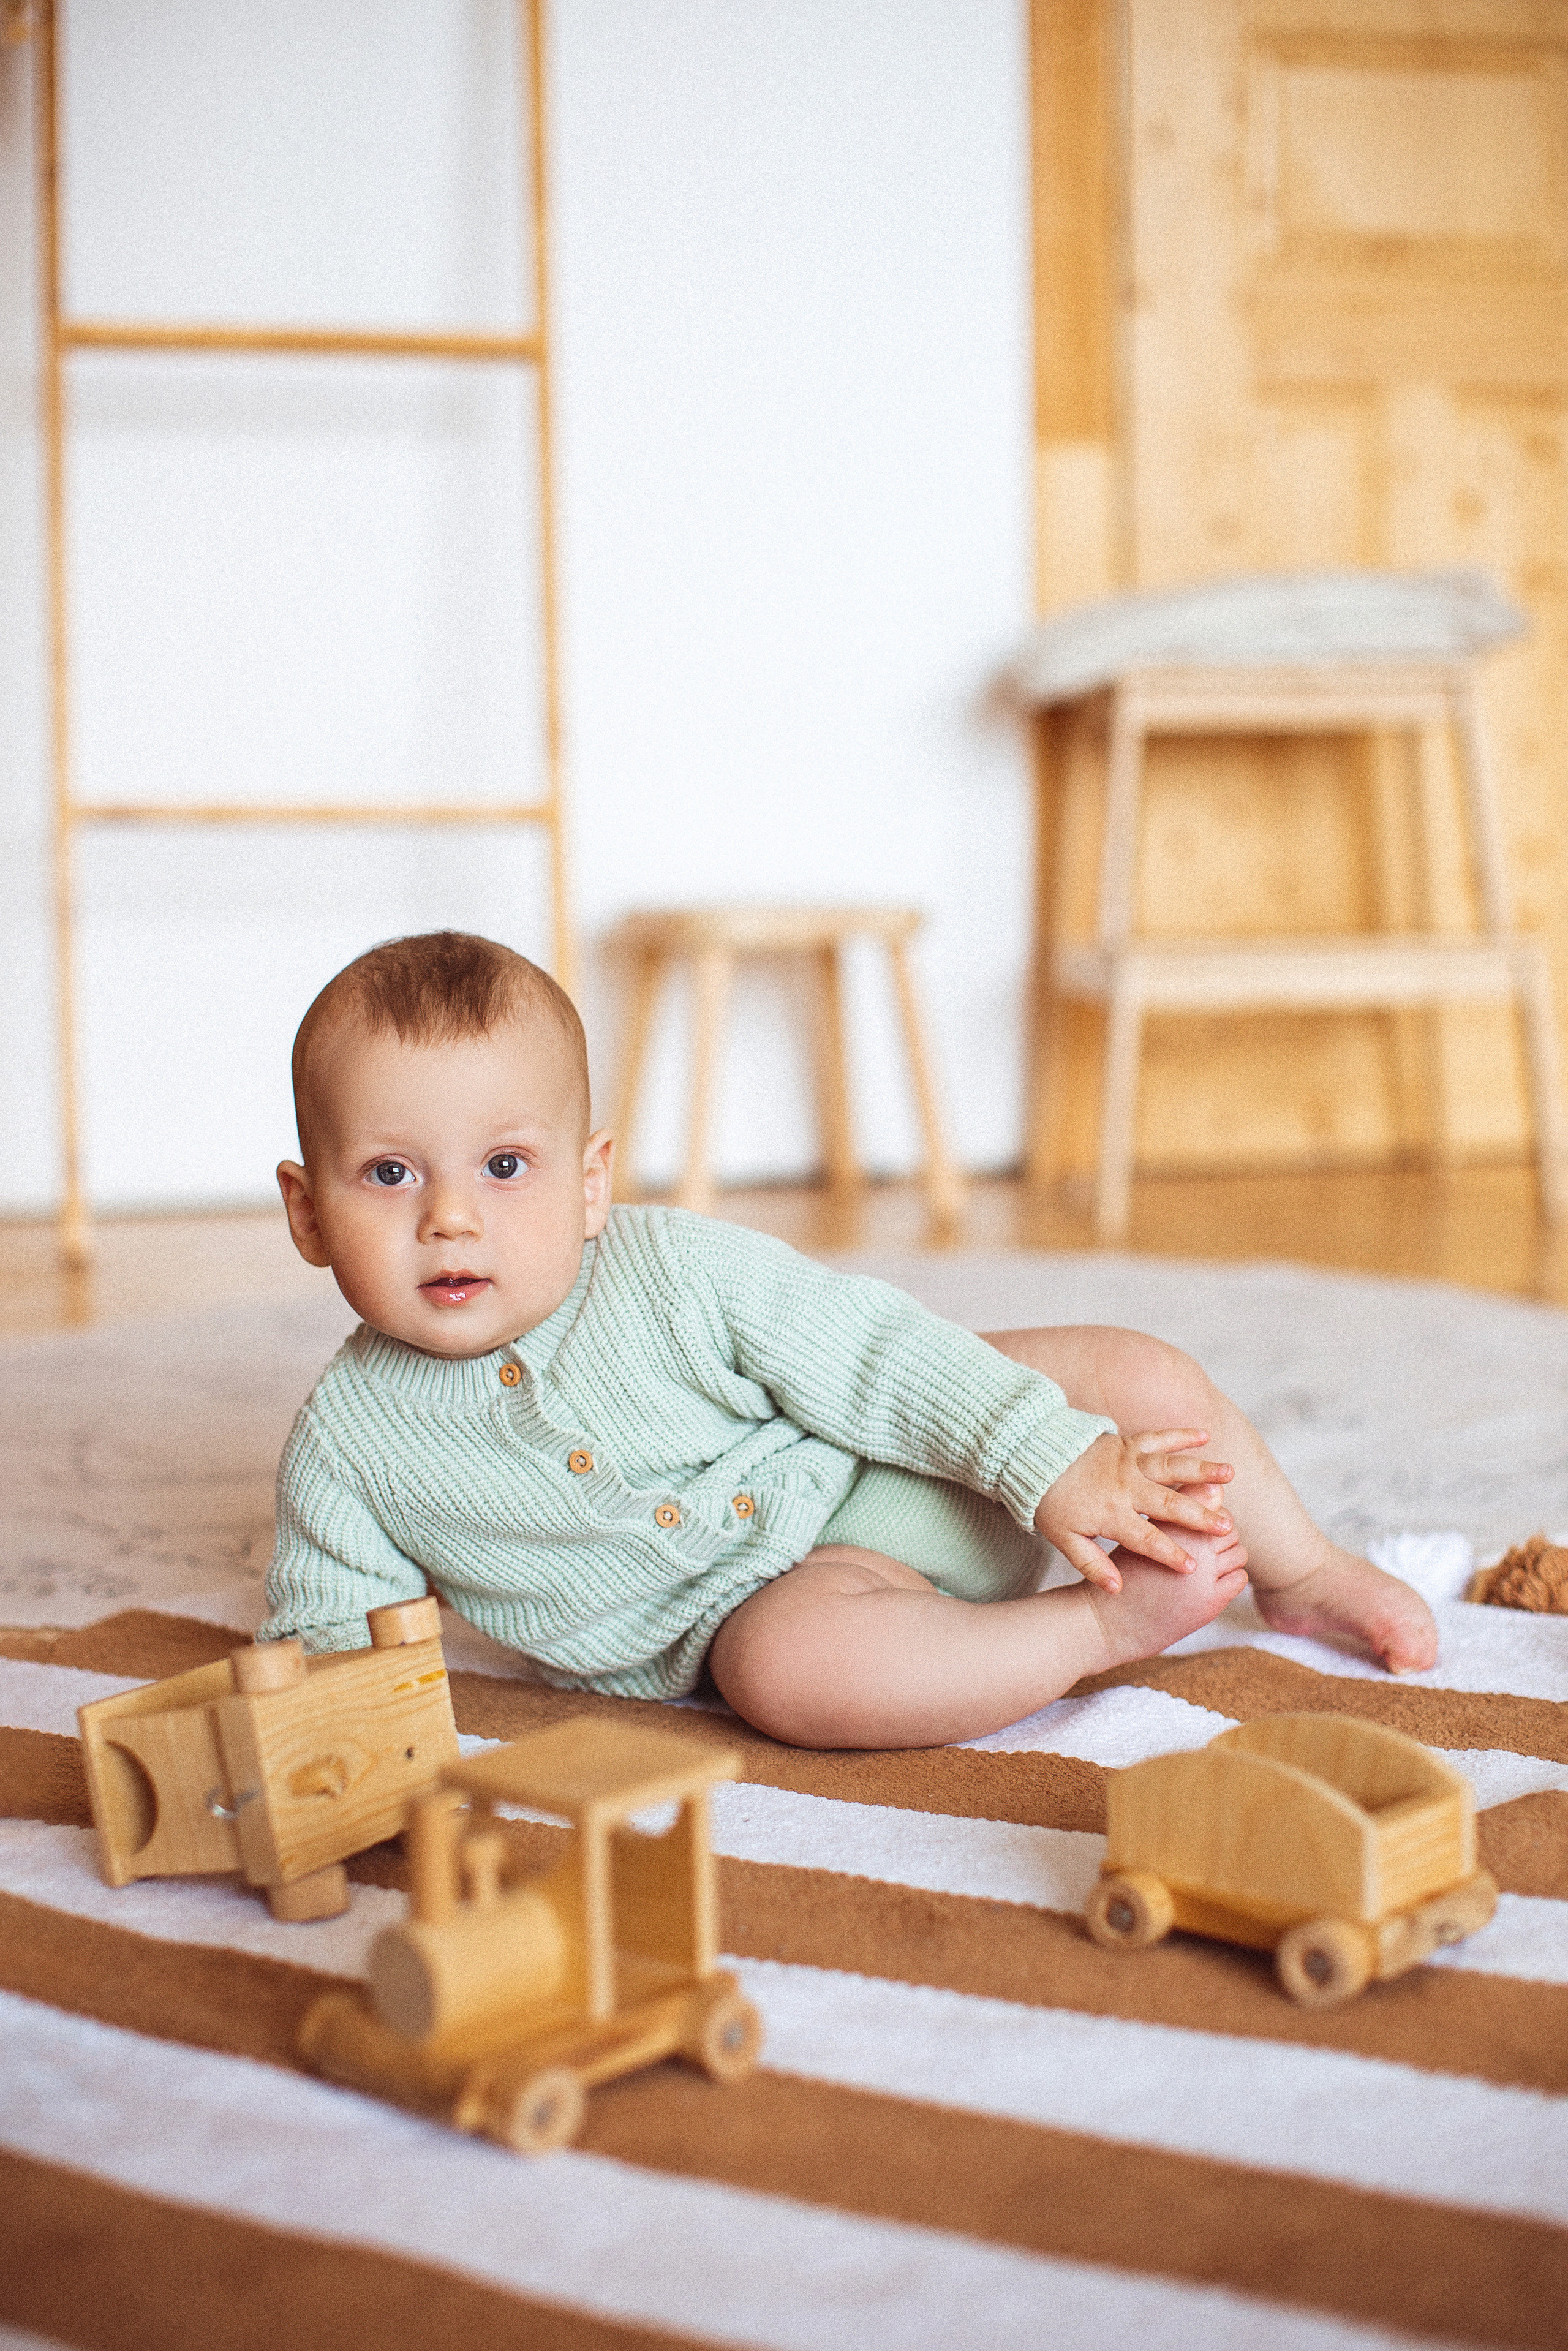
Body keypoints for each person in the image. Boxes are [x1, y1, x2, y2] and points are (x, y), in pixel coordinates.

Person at [261, 931, 1438, 1749]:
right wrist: (331, 1753)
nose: (451, 1216)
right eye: (390, 1172)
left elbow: (873, 1353)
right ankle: (1093, 1628)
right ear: (310, 1212)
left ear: (587, 1182)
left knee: (1133, 1370)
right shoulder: (352, 1445)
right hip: (802, 1604)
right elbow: (334, 1644)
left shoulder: (673, 1269)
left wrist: (1049, 1459)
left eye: (505, 1166)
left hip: (894, 1463)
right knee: (781, 1672)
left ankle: (1303, 1571)